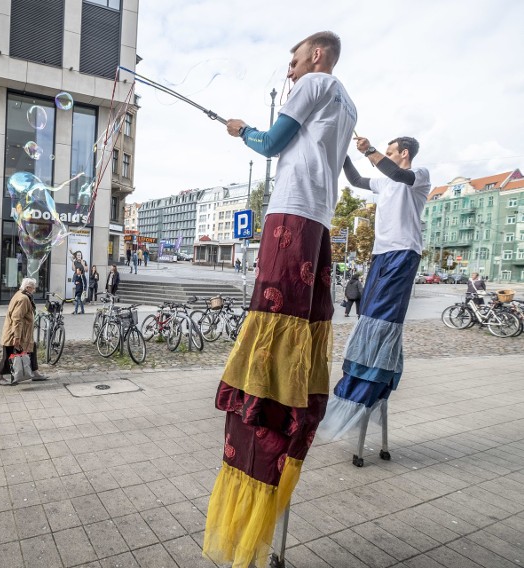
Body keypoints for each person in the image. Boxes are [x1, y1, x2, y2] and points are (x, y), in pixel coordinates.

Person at [203, 31, 356, 568]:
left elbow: (271, 146)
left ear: (316, 55)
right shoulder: (348, 101)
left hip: (289, 213)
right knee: (297, 319)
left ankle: (262, 405)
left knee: (270, 316)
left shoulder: (313, 82)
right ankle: (288, 403)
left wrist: (243, 131)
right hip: (318, 223)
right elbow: (349, 174)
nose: (288, 72)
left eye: (292, 61)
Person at [317, 135, 431, 446]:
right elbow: (355, 179)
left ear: (403, 153)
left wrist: (369, 150)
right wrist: (339, 149)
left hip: (404, 252)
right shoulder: (383, 182)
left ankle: (367, 386)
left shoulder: (418, 176)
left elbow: (399, 174)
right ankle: (357, 380)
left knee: (383, 317)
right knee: (368, 314)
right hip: (380, 255)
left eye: (390, 150)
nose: (386, 154)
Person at [0, 278, 47, 385]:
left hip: (22, 333)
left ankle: (35, 372)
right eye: (33, 288)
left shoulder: (20, 294)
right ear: (28, 288)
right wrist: (16, 337)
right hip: (15, 333)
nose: (35, 290)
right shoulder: (23, 299)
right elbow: (17, 318)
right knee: (8, 354)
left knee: (32, 349)